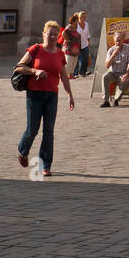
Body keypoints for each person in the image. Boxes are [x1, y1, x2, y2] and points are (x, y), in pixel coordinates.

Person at [15, 21, 74, 176]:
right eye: (50, 34)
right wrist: (35, 71)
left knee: (49, 131)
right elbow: (19, 66)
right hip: (34, 95)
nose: (53, 37)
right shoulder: (36, 49)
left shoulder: (60, 54)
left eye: (56, 34)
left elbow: (64, 76)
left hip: (51, 96)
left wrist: (70, 95)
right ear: (44, 35)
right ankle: (23, 150)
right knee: (32, 129)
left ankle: (44, 165)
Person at [100, 32, 129, 106]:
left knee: (126, 81)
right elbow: (107, 66)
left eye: (119, 40)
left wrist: (127, 74)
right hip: (113, 72)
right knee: (105, 77)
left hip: (123, 72)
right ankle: (106, 101)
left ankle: (116, 99)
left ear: (123, 40)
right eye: (116, 41)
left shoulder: (128, 48)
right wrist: (114, 54)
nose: (118, 43)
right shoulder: (111, 50)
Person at [74, 11, 91, 77]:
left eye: (85, 17)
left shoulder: (86, 24)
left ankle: (82, 72)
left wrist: (88, 42)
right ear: (79, 17)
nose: (84, 18)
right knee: (76, 59)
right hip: (76, 44)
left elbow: (87, 34)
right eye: (82, 17)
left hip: (84, 44)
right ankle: (75, 73)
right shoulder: (76, 24)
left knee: (85, 58)